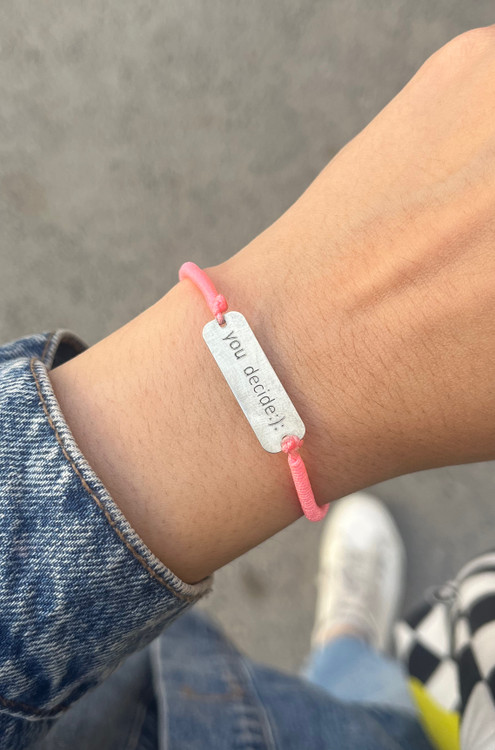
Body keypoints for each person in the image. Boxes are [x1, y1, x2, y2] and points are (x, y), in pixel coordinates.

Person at [2, 23, 495, 748]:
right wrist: (310, 349)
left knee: (343, 700)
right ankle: (350, 652)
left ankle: (345, 645)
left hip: (170, 704)